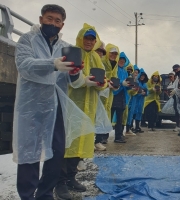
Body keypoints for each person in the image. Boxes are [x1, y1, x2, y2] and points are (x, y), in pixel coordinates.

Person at [13, 4, 90, 200]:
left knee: (56, 151)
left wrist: (74, 73)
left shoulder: (64, 47)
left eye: (57, 21)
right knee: (29, 151)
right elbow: (24, 66)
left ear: (62, 24)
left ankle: (45, 193)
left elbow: (73, 80)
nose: (53, 23)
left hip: (55, 106)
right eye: (49, 18)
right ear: (41, 19)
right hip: (31, 106)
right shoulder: (27, 40)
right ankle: (27, 195)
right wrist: (53, 64)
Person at [55, 23, 108, 200]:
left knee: (80, 142)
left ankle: (71, 177)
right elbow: (67, 77)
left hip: (88, 106)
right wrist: (85, 81)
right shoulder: (72, 52)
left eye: (92, 39)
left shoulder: (96, 58)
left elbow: (104, 79)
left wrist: (101, 84)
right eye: (87, 37)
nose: (89, 41)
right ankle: (59, 182)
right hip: (72, 104)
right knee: (67, 143)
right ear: (80, 38)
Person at [96, 43, 120, 144]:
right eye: (111, 53)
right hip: (100, 92)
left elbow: (115, 77)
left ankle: (101, 139)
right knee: (97, 115)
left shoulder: (115, 66)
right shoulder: (101, 62)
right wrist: (106, 83)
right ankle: (97, 140)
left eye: (115, 54)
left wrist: (116, 85)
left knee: (105, 115)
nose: (113, 56)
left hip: (108, 94)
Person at [111, 52, 132, 143]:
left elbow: (127, 85)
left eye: (123, 60)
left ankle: (118, 136)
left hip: (122, 96)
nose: (122, 62)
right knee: (109, 116)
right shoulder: (114, 69)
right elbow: (112, 80)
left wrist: (129, 85)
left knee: (120, 117)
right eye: (120, 60)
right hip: (113, 95)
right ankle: (102, 137)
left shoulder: (125, 71)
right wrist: (121, 83)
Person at [132, 68, 149, 133]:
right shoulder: (137, 82)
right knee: (133, 113)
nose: (142, 77)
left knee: (139, 113)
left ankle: (137, 127)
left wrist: (145, 93)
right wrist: (140, 93)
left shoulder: (144, 84)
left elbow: (147, 91)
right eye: (141, 76)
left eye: (143, 76)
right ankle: (131, 126)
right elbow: (134, 91)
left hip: (141, 100)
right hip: (136, 100)